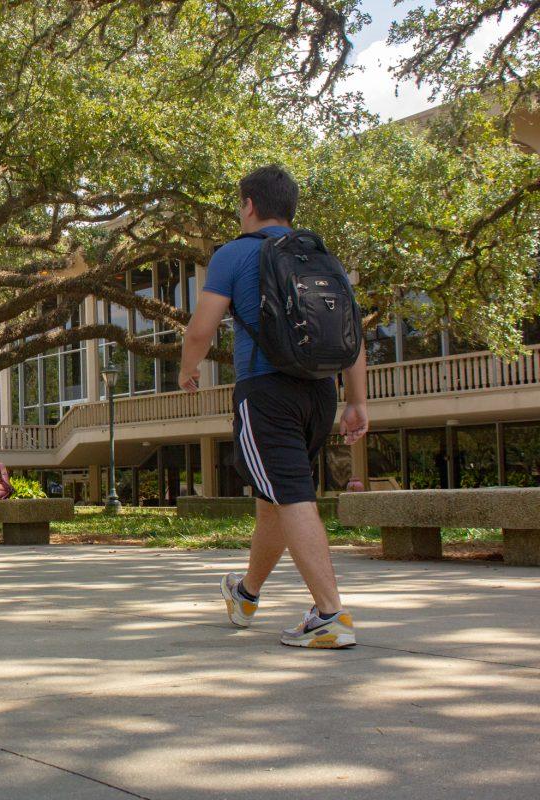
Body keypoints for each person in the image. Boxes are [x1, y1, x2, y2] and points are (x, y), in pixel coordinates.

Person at [178, 164, 368, 649]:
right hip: (319, 393)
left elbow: (201, 329)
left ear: (249, 205)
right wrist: (356, 401)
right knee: (274, 499)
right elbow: (352, 336)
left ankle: (330, 615)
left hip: (267, 392)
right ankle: (246, 593)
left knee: (290, 496)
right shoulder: (322, 257)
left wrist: (189, 367)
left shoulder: (234, 254)